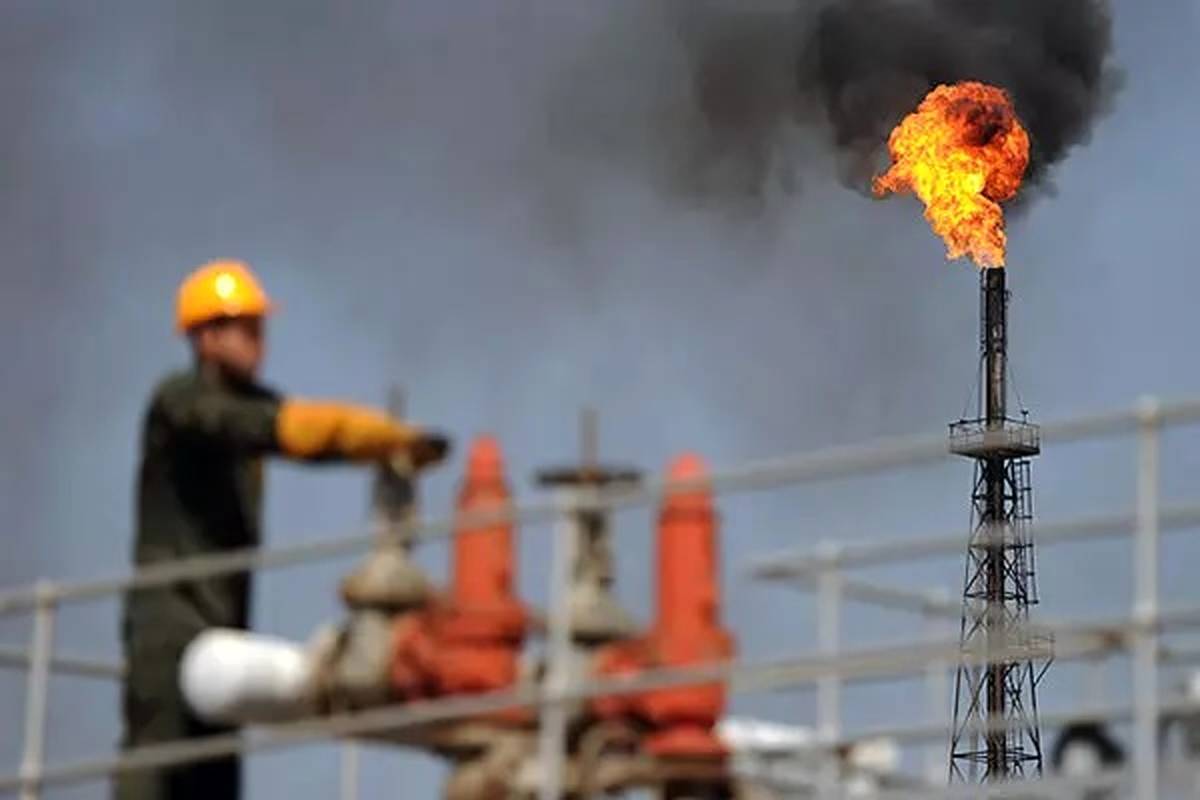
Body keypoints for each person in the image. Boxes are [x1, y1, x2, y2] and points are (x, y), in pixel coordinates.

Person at [115, 259, 450, 800]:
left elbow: (294, 430)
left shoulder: (256, 405)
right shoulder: (180, 400)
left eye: (259, 327)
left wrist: (381, 445)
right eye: (243, 326)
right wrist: (380, 437)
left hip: (223, 623)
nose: (257, 339)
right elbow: (287, 430)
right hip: (169, 620)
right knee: (158, 769)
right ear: (205, 337)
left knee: (213, 778)